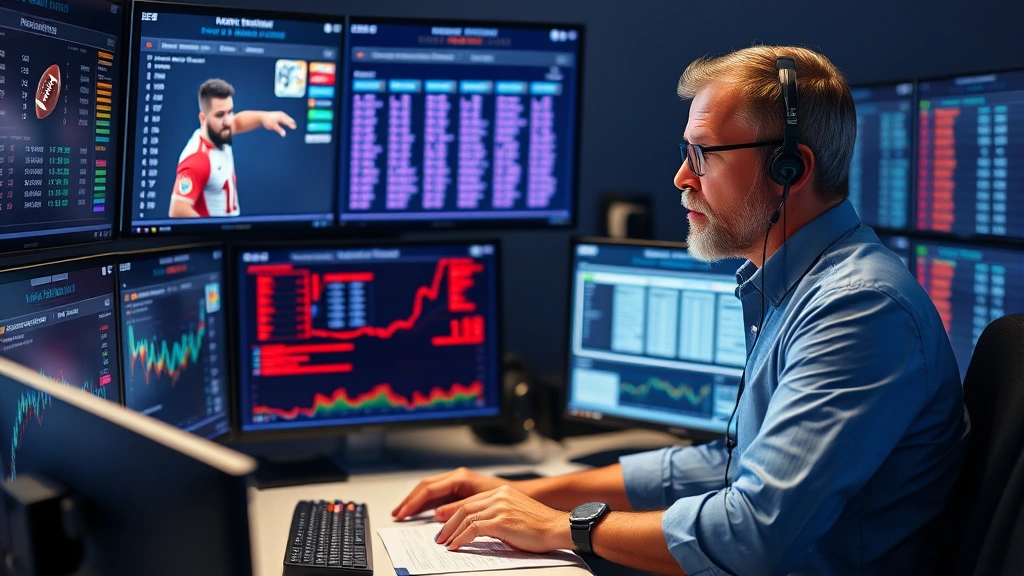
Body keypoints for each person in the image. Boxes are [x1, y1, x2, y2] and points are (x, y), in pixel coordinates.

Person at [391, 46, 970, 576]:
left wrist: (558, 527)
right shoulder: (798, 286)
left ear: (790, 168)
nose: (681, 178)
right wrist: (537, 491)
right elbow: (725, 463)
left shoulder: (857, 309)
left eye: (703, 155)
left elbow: (755, 534)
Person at [169, 78, 296, 218]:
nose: (228, 121)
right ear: (203, 119)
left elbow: (238, 122)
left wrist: (263, 117)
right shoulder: (198, 159)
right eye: (220, 115)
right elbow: (178, 209)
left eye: (230, 112)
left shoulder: (219, 132)